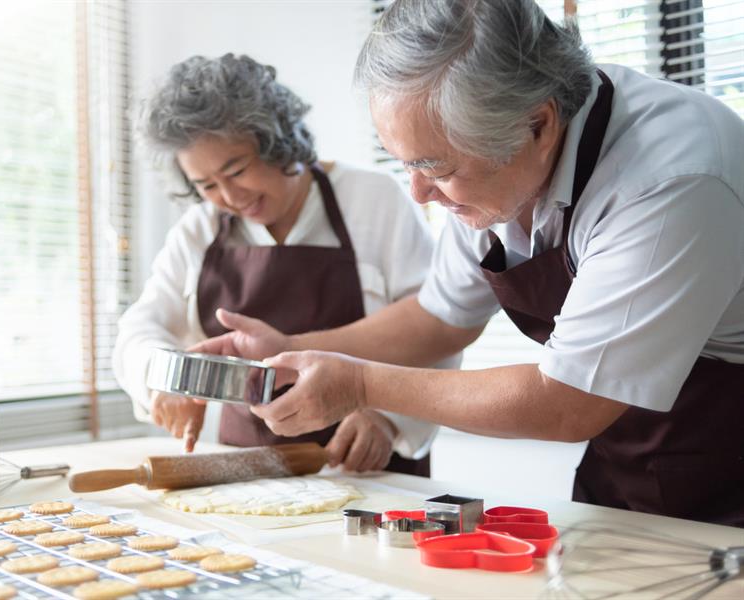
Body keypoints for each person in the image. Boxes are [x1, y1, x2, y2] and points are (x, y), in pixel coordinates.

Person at [194, 1, 744, 526]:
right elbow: (437, 319)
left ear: (538, 125)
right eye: (405, 164)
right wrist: (290, 348)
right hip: (625, 469)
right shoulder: (496, 164)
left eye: (435, 167)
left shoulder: (671, 180)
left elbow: (567, 402)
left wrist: (359, 386)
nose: (417, 192)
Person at [113, 53, 460, 476]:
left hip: (370, 469)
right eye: (206, 185)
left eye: (236, 169)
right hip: (246, 472)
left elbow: (440, 328)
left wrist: (389, 418)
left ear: (276, 141)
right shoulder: (199, 230)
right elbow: (139, 329)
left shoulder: (375, 200)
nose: (229, 196)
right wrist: (159, 377)